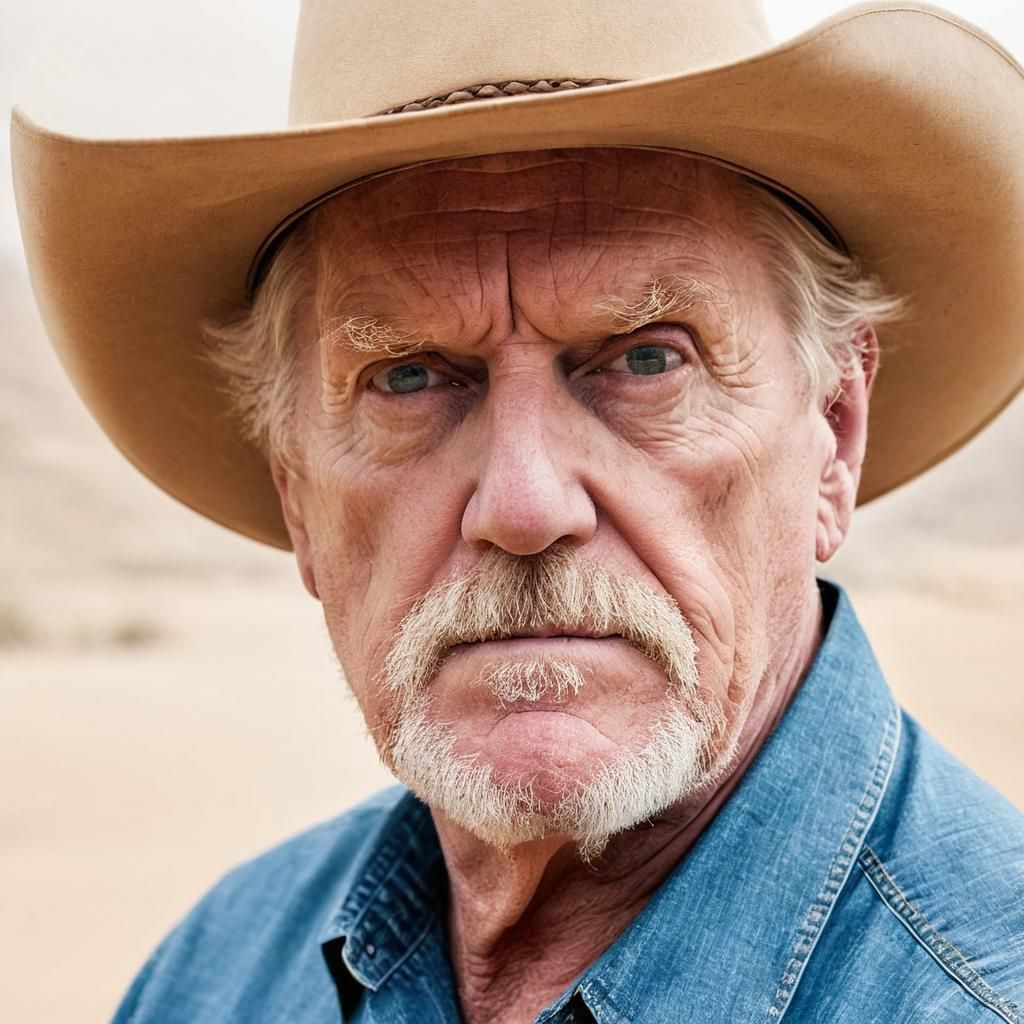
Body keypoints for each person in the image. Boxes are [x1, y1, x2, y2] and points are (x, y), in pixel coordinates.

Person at [11, 0, 1024, 1020]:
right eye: (407, 376)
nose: (525, 504)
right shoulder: (216, 978)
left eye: (643, 358)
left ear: (833, 432)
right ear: (298, 496)